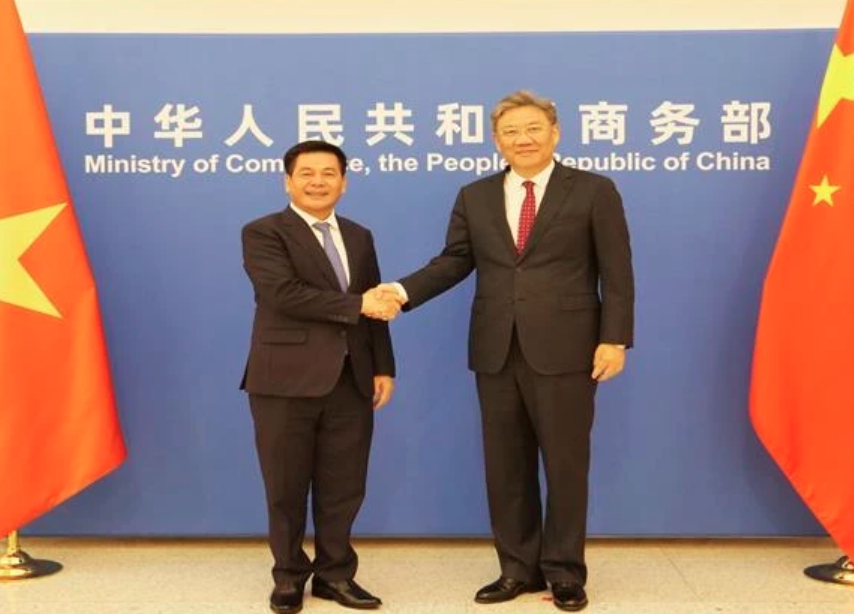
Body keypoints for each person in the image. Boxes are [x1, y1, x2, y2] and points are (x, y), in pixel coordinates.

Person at [380, 90, 634, 612]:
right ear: (497, 141)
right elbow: (453, 262)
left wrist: (615, 337)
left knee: (565, 464)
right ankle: (516, 569)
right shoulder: (475, 196)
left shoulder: (593, 190)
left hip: (569, 348)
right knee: (506, 465)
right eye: (511, 132)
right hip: (496, 349)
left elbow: (618, 271)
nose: (523, 139)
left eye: (533, 128)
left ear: (555, 133)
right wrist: (401, 293)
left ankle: (564, 571)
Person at [241, 140, 401, 614]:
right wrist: (358, 305)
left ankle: (335, 576)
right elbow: (283, 293)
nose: (317, 181)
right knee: (286, 486)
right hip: (282, 380)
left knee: (344, 486)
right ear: (287, 181)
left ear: (344, 182)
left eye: (328, 173)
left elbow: (374, 307)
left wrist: (384, 366)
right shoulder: (263, 232)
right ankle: (288, 576)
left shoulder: (359, 235)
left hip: (352, 378)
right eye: (306, 173)